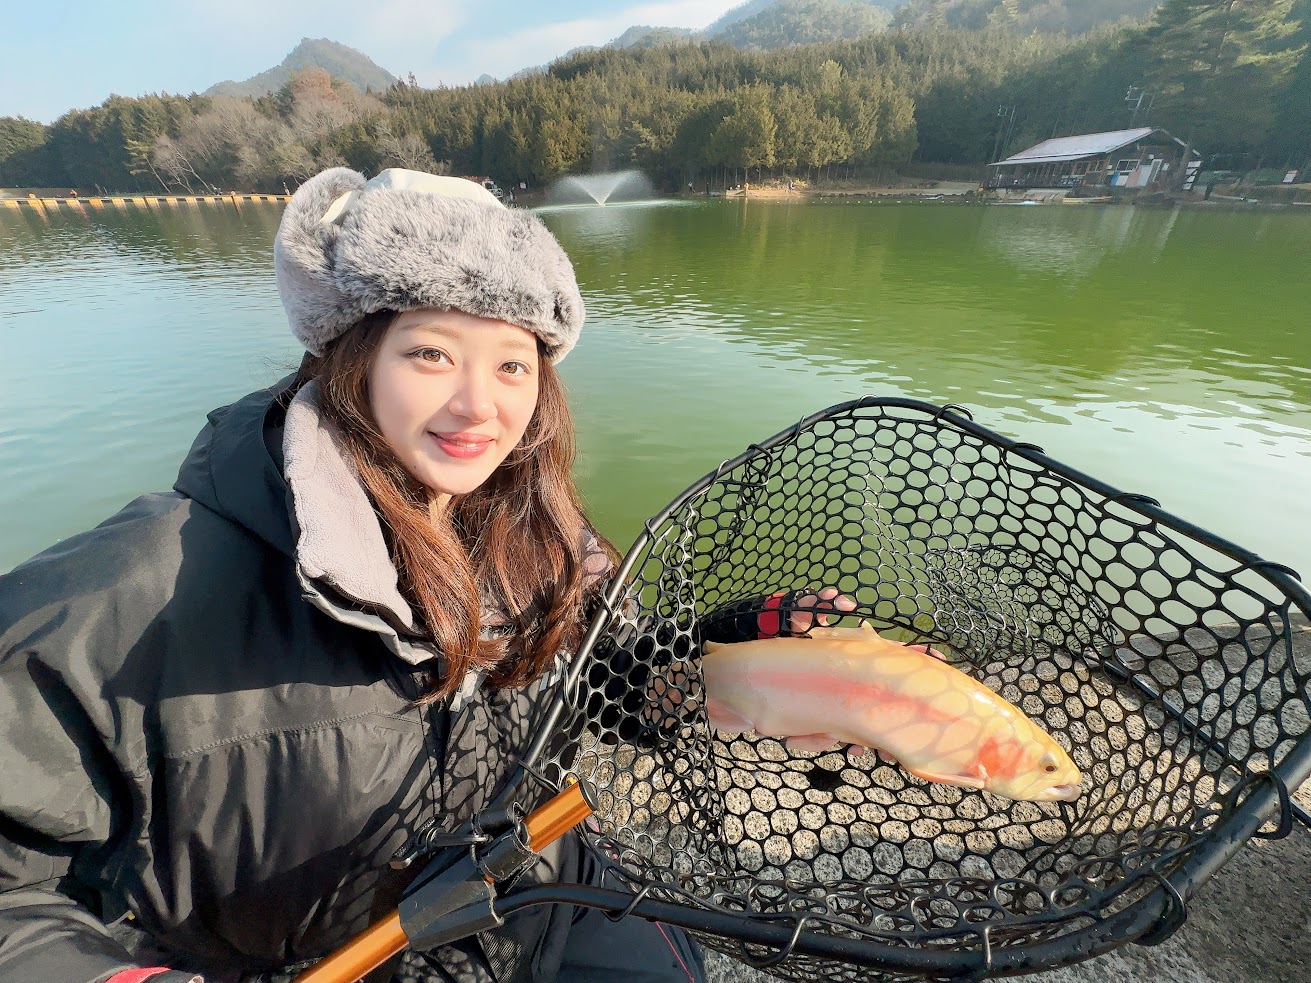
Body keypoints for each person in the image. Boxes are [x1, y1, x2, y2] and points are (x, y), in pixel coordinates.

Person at [0, 167, 708, 983]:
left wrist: (706, 669)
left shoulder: (544, 537)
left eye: (513, 365)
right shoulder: (144, 580)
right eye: (431, 353)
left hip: (543, 905)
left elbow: (603, 677)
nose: (480, 405)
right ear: (351, 357)